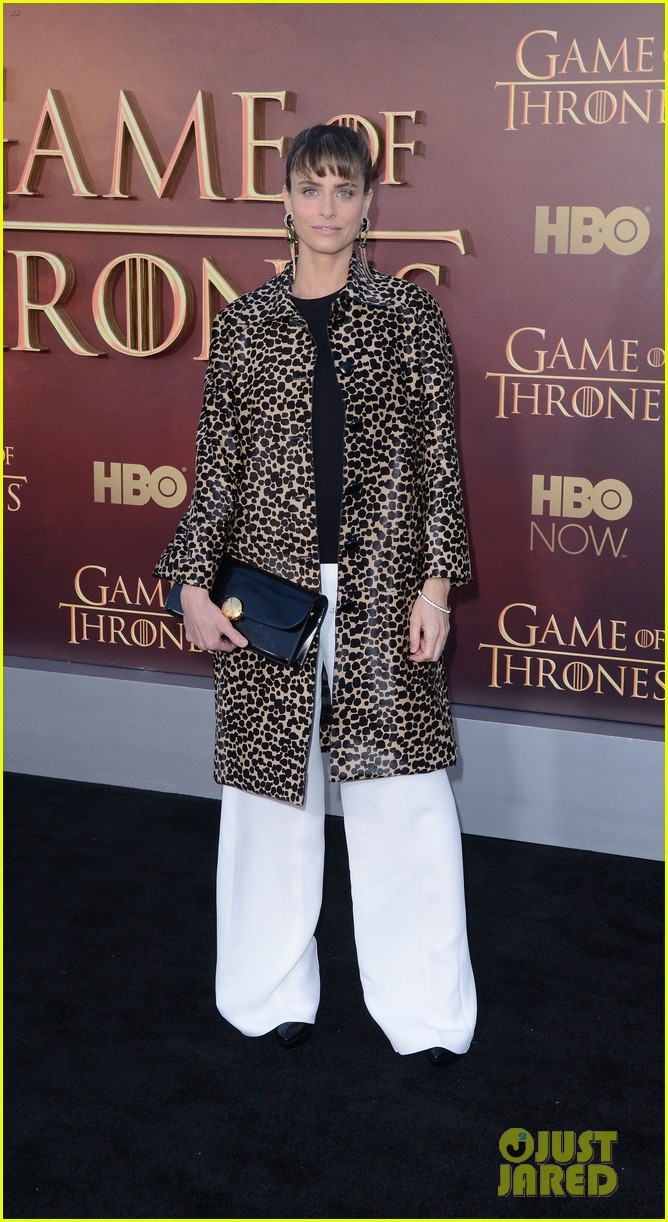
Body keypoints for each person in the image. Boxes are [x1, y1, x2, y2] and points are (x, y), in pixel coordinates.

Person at [154, 124, 476, 1065]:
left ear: (369, 204)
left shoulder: (409, 316)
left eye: (344, 189)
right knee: (267, 800)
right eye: (311, 188)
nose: (327, 207)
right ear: (285, 202)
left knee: (405, 800)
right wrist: (190, 582)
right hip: (268, 593)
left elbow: (439, 464)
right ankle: (265, 998)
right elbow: (217, 471)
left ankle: (425, 1014)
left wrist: (437, 586)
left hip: (385, 588)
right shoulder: (244, 324)